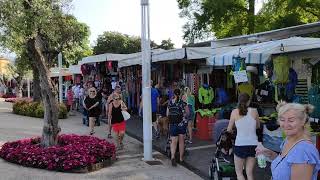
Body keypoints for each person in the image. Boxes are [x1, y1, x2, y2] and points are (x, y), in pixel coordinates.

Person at [256, 102, 320, 180]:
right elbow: (287, 163)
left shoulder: (304, 151)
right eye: (282, 120)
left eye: (291, 120)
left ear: (303, 121)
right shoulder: (288, 140)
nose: (285, 125)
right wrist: (271, 154)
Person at [227, 93, 260, 180]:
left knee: (239, 173)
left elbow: (229, 129)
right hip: (253, 144)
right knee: (249, 173)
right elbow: (257, 126)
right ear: (249, 101)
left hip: (240, 145)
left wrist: (236, 127)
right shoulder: (255, 111)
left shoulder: (234, 112)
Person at [167, 88, 189, 166]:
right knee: (181, 142)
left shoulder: (170, 103)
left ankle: (173, 157)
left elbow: (167, 114)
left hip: (173, 124)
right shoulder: (183, 103)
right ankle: (180, 159)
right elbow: (187, 113)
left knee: (173, 142)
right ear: (180, 94)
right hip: (181, 124)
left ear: (173, 94)